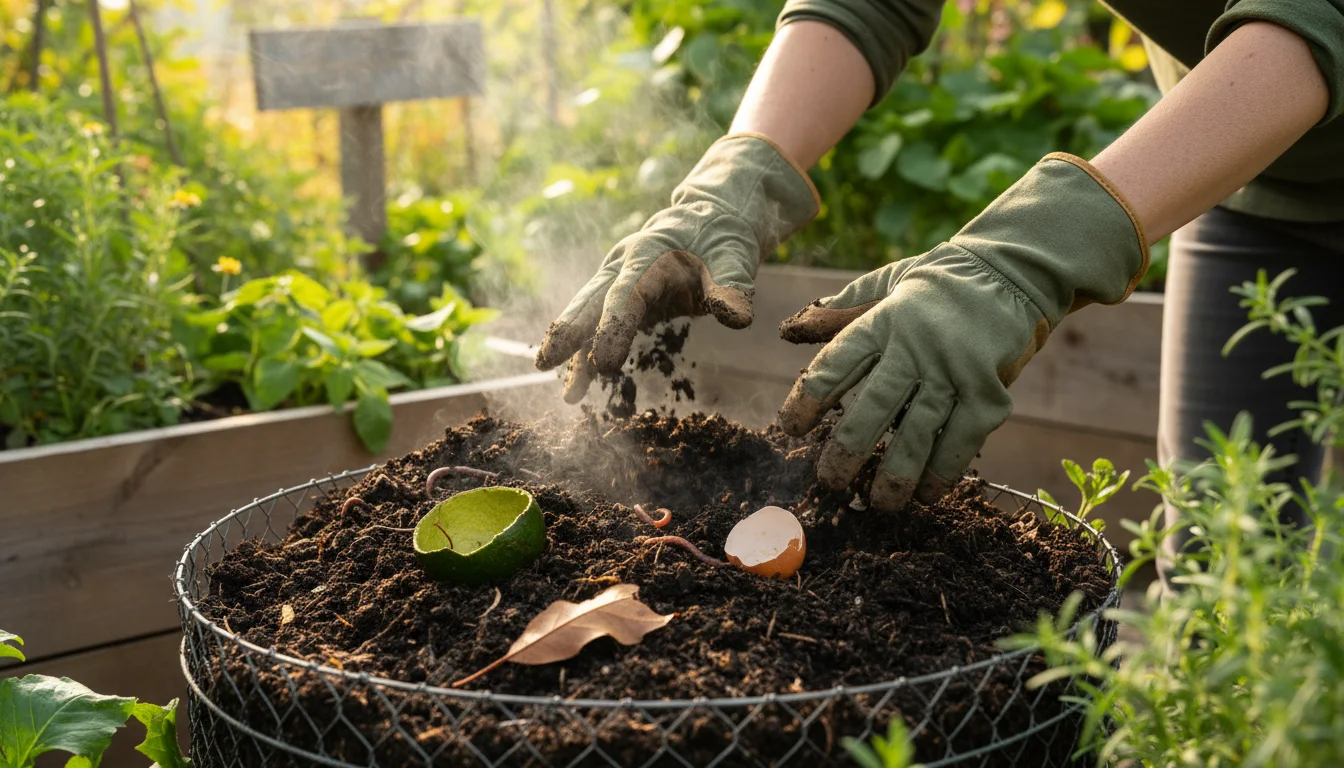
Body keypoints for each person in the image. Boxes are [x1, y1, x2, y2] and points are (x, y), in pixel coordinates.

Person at [535, 2, 1344, 539]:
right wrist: (736, 179)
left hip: (1287, 103)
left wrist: (1032, 249)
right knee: (1229, 563)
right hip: (1264, 182)